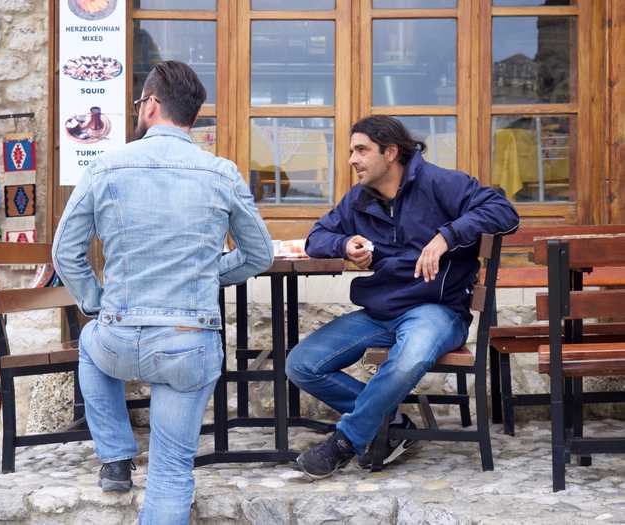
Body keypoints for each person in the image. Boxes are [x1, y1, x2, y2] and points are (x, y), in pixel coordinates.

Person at [52, 60, 273, 524]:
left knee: (90, 347)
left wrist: (96, 304)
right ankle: (118, 457)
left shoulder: (105, 167)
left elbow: (65, 254)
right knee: (172, 472)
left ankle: (115, 455)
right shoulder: (222, 172)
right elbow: (259, 256)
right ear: (191, 116)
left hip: (118, 335)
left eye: (139, 103)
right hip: (187, 339)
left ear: (151, 105)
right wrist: (211, 273)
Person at [286, 115, 519, 479]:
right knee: (302, 364)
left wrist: (447, 236)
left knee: (409, 359)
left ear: (390, 152)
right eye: (351, 151)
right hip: (382, 311)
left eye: (361, 150)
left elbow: (503, 211)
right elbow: (317, 237)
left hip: (437, 310)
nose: (352, 159)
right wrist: (345, 243)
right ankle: (392, 423)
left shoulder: (440, 183)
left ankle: (344, 443)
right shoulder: (359, 199)